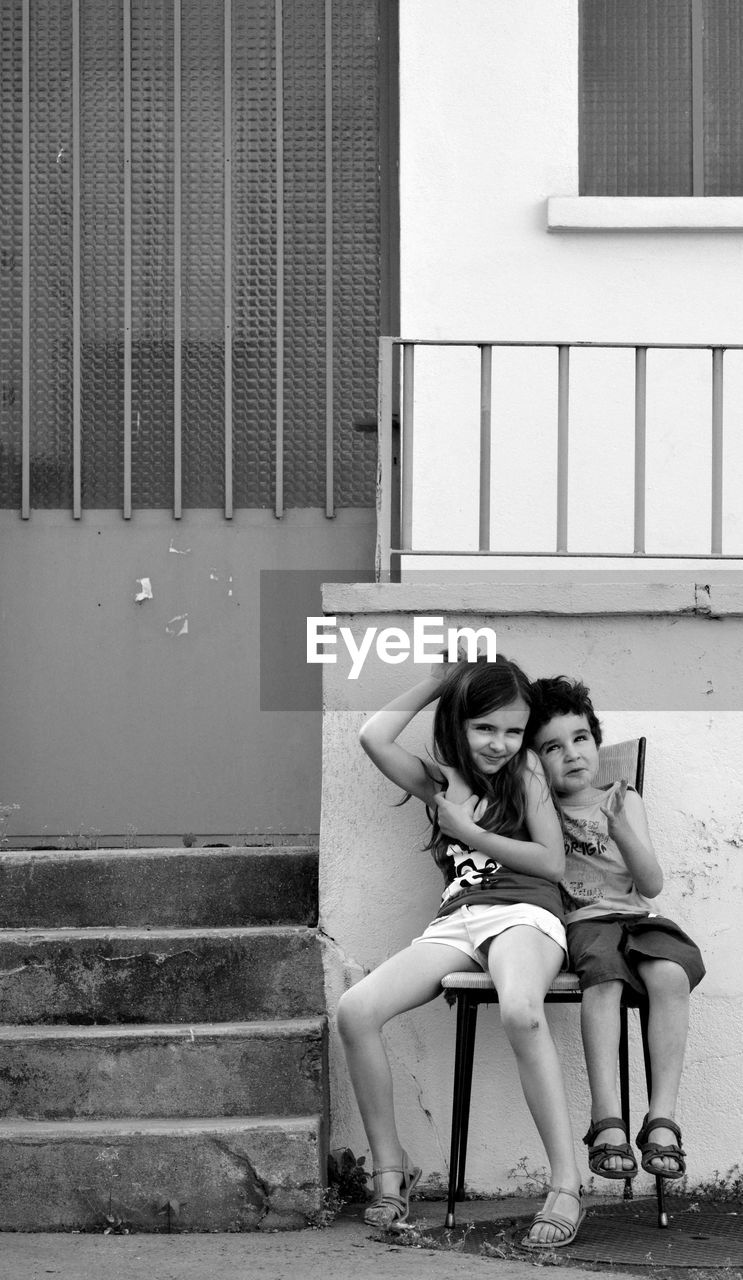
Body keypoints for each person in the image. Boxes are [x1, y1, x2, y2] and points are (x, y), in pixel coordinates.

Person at [336, 655, 584, 1248]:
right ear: (458, 723)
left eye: (513, 730)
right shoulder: (440, 779)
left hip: (525, 913)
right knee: (355, 1010)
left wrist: (469, 832)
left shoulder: (524, 771)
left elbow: (551, 862)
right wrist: (439, 681)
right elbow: (373, 736)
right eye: (485, 728)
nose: (500, 743)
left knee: (521, 1008)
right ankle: (390, 1168)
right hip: (458, 921)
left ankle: (567, 1184)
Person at [528, 675, 705, 1184]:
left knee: (670, 974)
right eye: (552, 748)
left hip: (636, 916)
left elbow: (652, 883)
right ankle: (607, 1121)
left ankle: (661, 1120)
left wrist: (619, 827)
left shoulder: (623, 798)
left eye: (580, 738)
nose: (572, 754)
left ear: (596, 741)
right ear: (535, 761)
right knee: (603, 979)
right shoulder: (541, 811)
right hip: (584, 926)